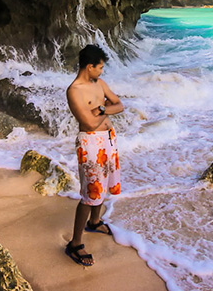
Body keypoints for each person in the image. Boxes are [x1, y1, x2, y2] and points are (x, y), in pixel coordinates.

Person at [65, 44, 124, 266]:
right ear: (89, 67)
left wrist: (101, 109)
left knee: (104, 185)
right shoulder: (75, 91)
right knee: (91, 193)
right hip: (90, 144)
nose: (101, 72)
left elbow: (119, 105)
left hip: (108, 140)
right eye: (99, 68)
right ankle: (74, 243)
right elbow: (88, 124)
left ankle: (95, 221)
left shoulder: (99, 83)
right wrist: (105, 108)